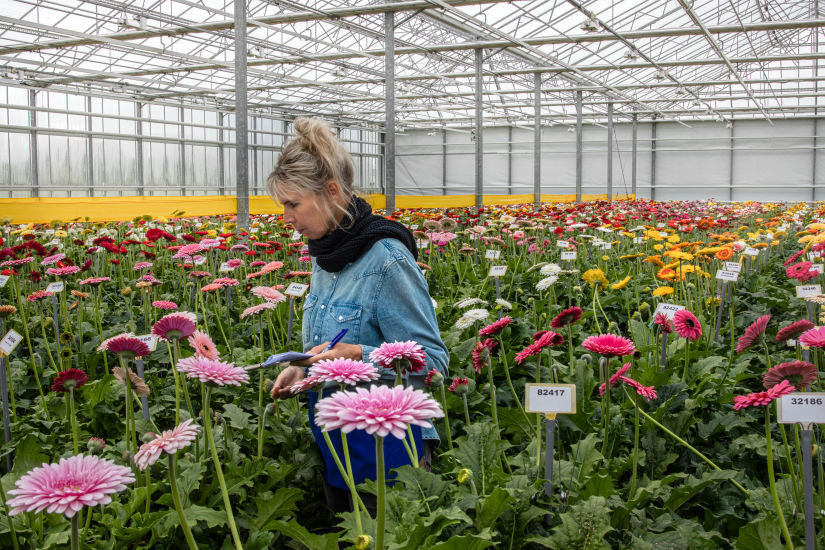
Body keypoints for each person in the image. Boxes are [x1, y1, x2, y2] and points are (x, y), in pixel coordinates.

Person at [267, 117, 448, 513]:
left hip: (389, 447)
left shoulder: (387, 260)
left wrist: (357, 356)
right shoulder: (325, 256)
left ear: (331, 192)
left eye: (293, 204)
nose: (286, 217)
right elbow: (323, 348)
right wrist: (303, 368)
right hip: (336, 437)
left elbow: (433, 364)